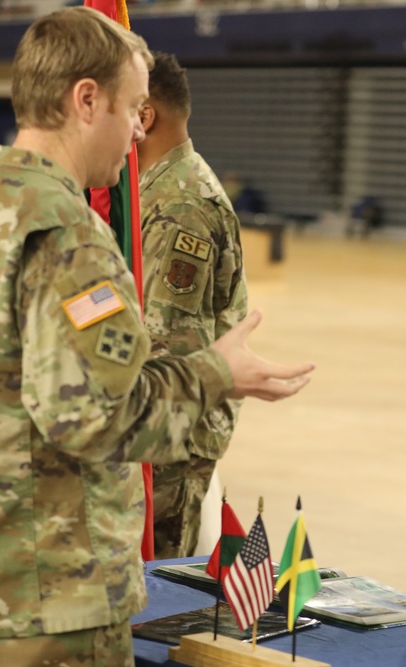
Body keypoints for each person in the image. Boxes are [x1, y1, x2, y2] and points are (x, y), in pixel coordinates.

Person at [0, 8, 312, 666]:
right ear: (86, 100)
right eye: (131, 108)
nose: (135, 131)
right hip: (46, 608)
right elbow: (98, 418)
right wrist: (215, 373)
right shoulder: (67, 235)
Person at [133, 52, 246, 559]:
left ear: (144, 116)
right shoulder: (159, 191)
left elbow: (168, 341)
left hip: (168, 440)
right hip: (159, 430)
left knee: (156, 596)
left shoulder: (182, 205)